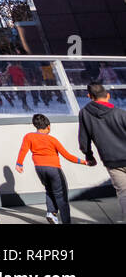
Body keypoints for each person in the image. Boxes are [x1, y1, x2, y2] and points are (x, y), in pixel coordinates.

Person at [16, 113, 87, 224]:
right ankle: (66, 221)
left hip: (39, 168)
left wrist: (19, 164)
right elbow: (67, 156)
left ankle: (51, 212)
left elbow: (23, 150)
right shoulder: (52, 140)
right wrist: (84, 162)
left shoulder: (28, 136)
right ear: (48, 126)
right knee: (61, 195)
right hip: (54, 169)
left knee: (49, 190)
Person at [77, 82, 126, 222]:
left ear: (89, 96)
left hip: (112, 161)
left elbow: (83, 138)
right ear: (108, 96)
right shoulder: (121, 114)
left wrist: (89, 155)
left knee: (123, 194)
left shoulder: (84, 113)